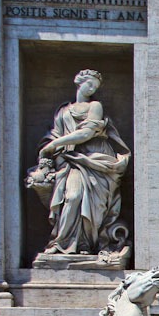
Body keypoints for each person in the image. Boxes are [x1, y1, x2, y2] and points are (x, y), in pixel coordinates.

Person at [27, 69, 130, 256]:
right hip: (69, 161)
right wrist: (51, 150)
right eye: (89, 84)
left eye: (95, 87)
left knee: (88, 202)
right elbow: (55, 135)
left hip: (93, 159)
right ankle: (62, 243)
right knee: (72, 197)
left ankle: (85, 243)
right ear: (79, 82)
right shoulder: (63, 112)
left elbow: (87, 133)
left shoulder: (95, 106)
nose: (92, 88)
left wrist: (54, 145)